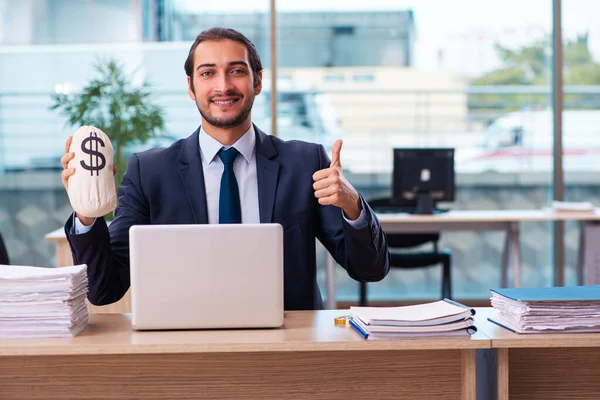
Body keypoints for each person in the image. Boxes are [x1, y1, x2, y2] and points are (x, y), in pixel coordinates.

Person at [61, 27, 390, 311]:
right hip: (187, 348)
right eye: (207, 73)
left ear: (257, 81)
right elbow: (105, 290)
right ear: (191, 88)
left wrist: (352, 205)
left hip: (288, 346)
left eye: (236, 71)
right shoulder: (150, 172)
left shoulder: (305, 163)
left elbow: (370, 270)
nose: (223, 86)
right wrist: (86, 213)